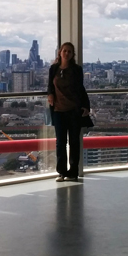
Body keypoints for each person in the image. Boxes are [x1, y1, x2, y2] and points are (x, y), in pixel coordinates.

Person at [47, 42, 91, 181]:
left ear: (72, 55)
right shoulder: (53, 69)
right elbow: (50, 85)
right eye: (64, 51)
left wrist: (86, 106)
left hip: (73, 110)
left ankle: (73, 172)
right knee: (60, 142)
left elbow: (80, 88)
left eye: (69, 51)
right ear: (60, 52)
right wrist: (50, 94)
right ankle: (62, 172)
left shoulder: (76, 69)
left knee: (74, 142)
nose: (66, 53)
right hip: (58, 110)